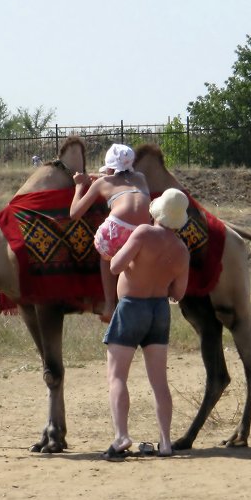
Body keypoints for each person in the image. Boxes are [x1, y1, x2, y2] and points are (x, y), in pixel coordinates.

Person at [100, 188, 191, 460]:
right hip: (159, 309)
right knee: (159, 381)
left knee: (117, 376)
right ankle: (165, 441)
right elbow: (179, 293)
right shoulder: (182, 250)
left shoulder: (142, 233)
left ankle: (121, 436)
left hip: (131, 307)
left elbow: (116, 266)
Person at [70, 143, 152, 322]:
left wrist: (79, 186)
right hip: (144, 232)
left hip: (117, 229)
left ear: (109, 167)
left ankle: (109, 304)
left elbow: (74, 213)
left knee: (105, 256)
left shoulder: (102, 183)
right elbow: (121, 178)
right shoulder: (141, 178)